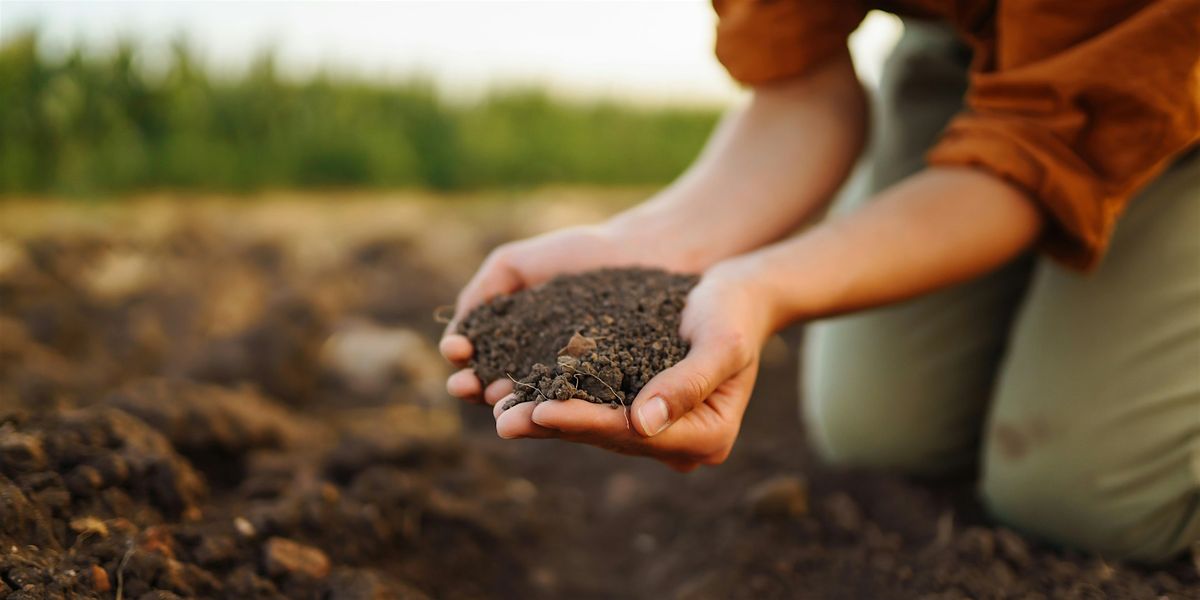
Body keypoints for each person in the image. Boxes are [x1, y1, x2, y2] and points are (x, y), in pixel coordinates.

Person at [440, 1, 1200, 563]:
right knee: (881, 430)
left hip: (1168, 55)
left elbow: (1033, 161)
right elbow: (800, 92)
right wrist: (646, 245)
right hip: (978, 45)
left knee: (1086, 499)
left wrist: (767, 287)